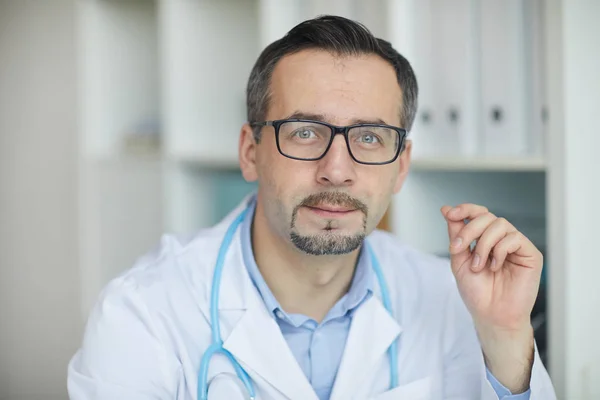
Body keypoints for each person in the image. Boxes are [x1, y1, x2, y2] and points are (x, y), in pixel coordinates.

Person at [68, 15, 556, 400]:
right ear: (249, 152)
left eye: (369, 137)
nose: (337, 169)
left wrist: (507, 337)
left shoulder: (453, 301)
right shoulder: (142, 314)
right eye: (305, 132)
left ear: (401, 166)